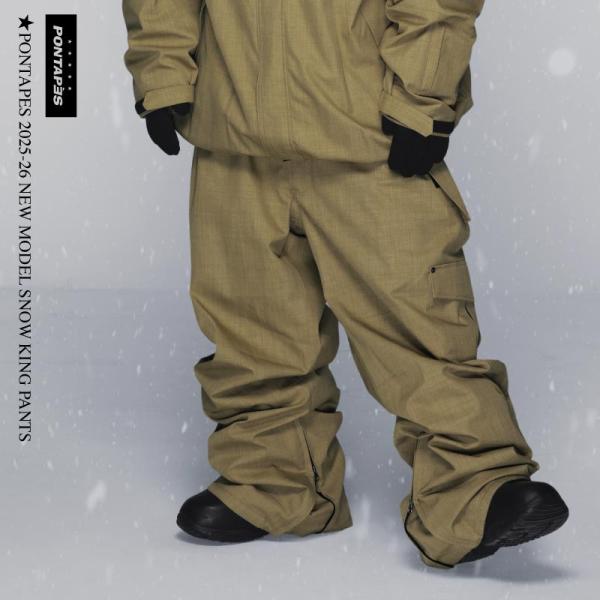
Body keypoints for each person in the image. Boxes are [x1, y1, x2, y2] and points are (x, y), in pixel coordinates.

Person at [121, 0, 569, 568]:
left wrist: (422, 95)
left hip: (366, 128)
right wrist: (162, 73)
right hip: (234, 128)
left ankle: (474, 491)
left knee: (416, 320)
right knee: (250, 324)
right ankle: (274, 482)